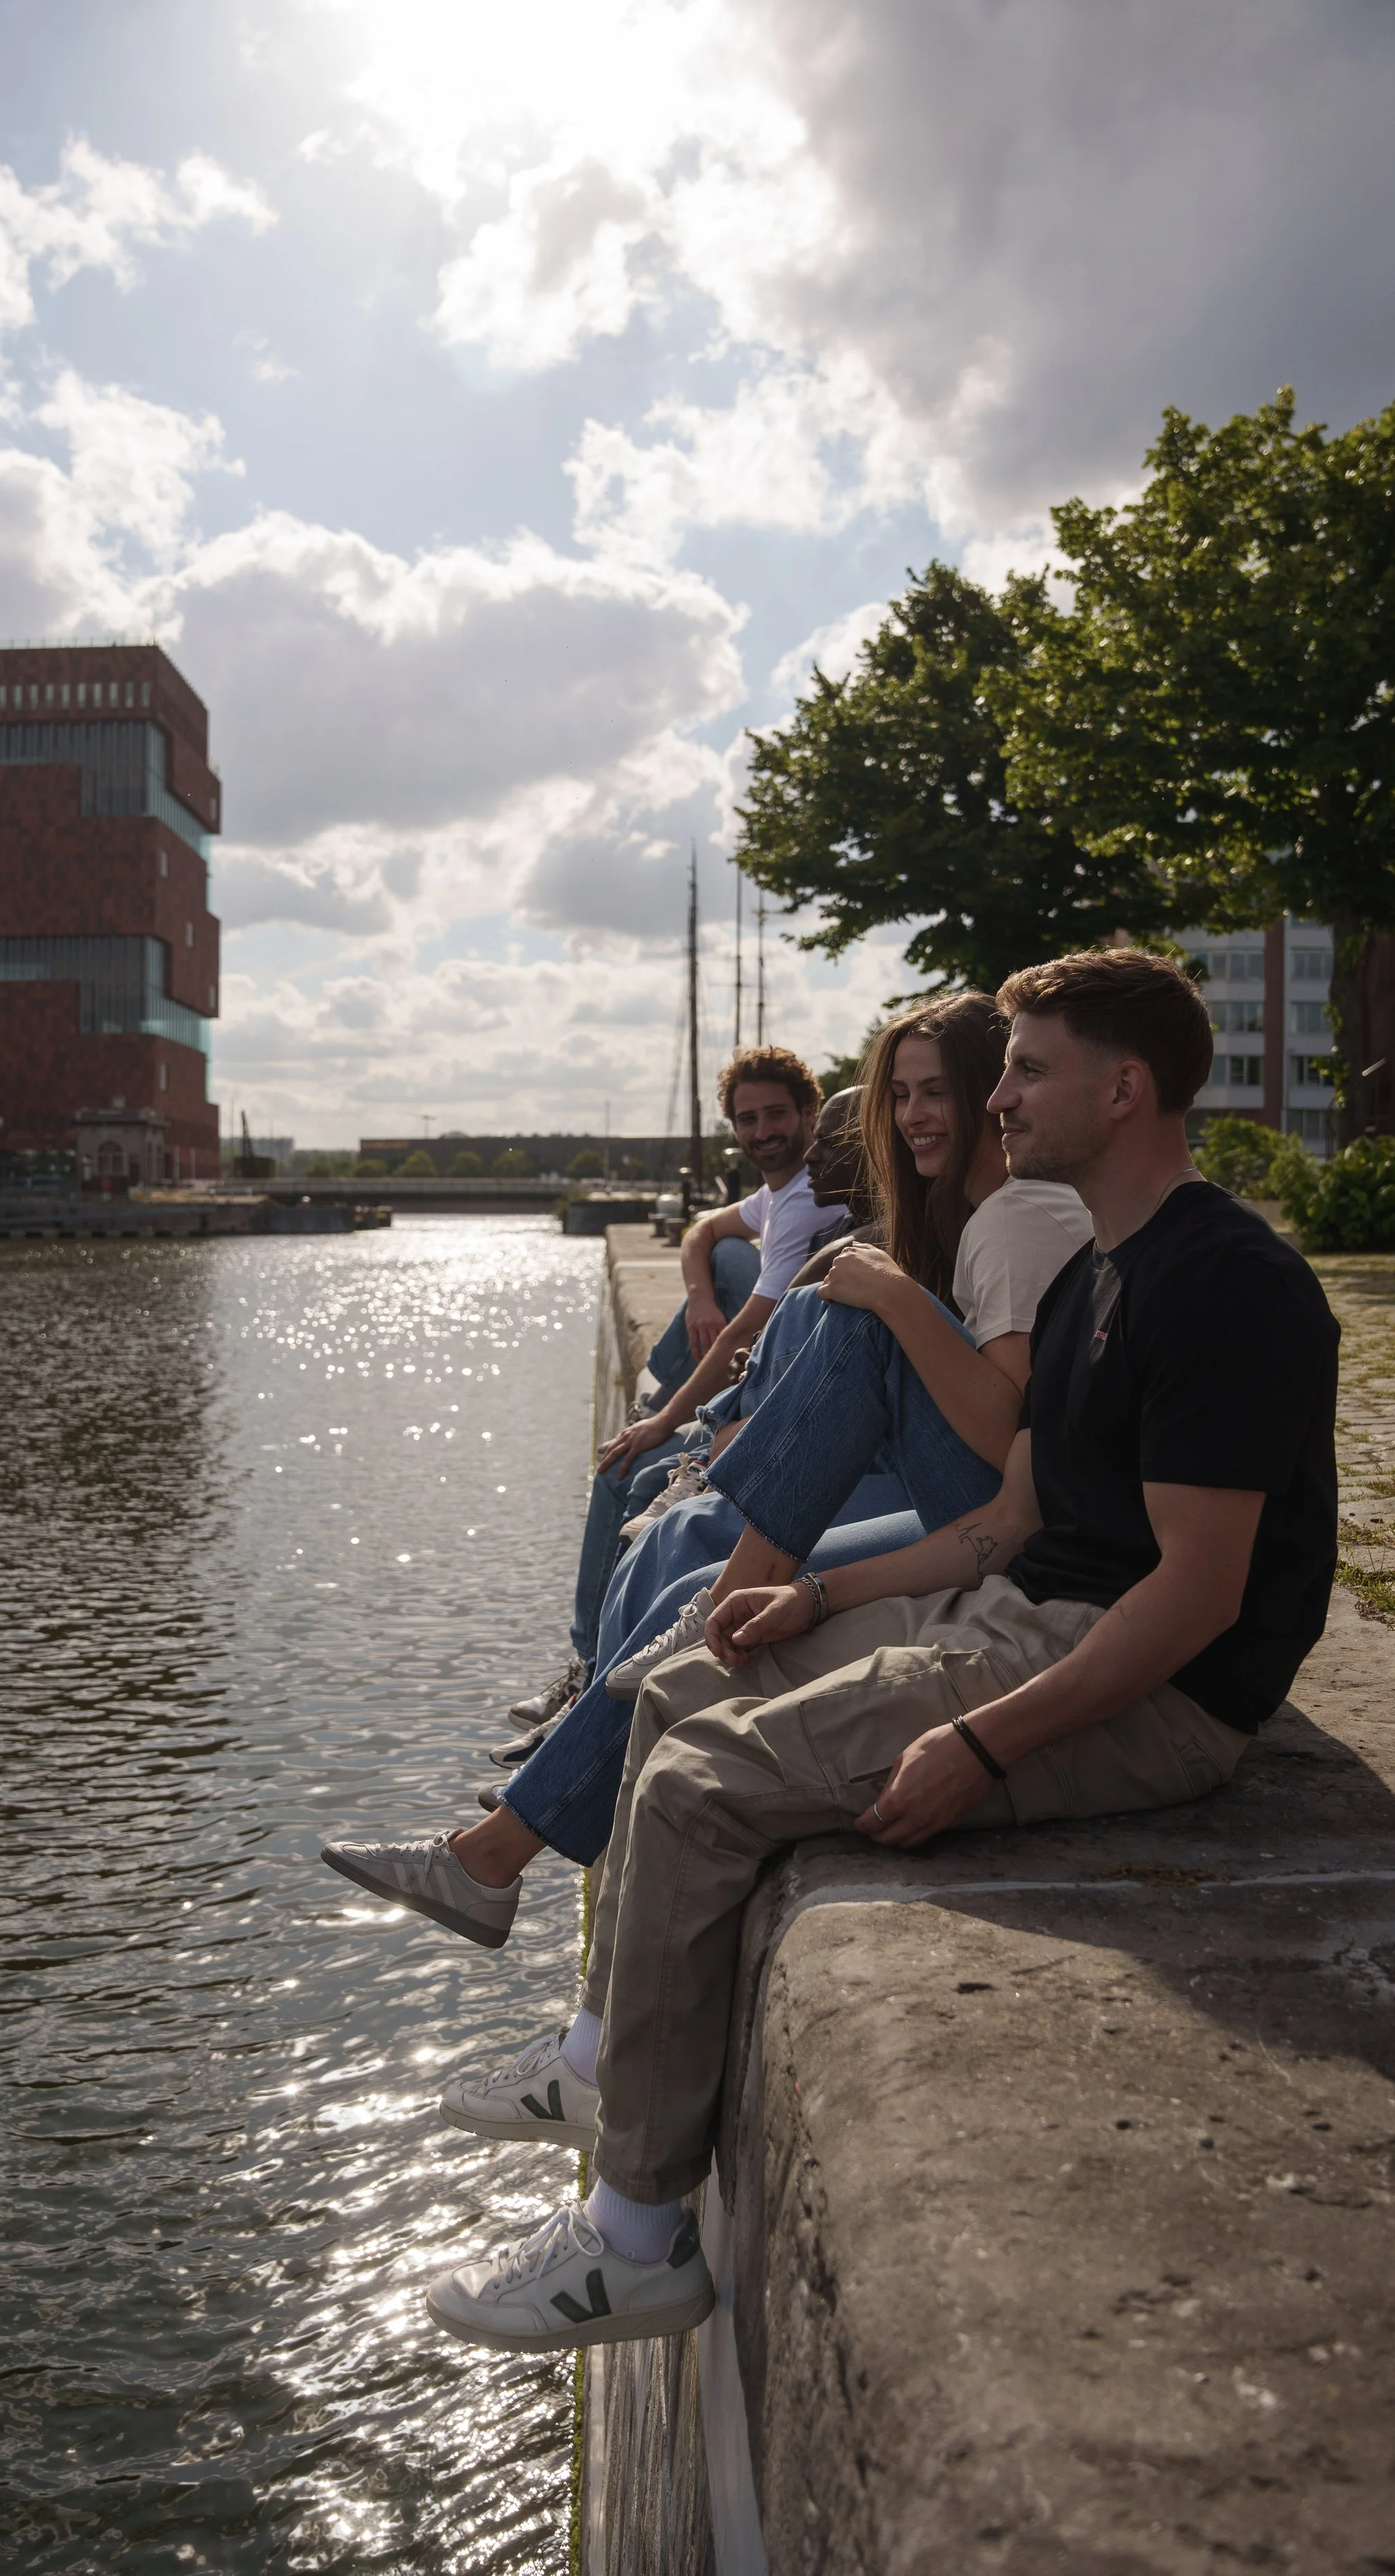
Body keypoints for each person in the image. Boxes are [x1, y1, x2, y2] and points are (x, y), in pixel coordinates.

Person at [415, 947, 1338, 2351]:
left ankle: (635, 2236)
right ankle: (607, 2063)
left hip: (1141, 1687)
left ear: (1124, 1085)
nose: (997, 1097)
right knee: (680, 1675)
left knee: (694, 1785)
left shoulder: (1222, 1285)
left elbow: (1197, 1600)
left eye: (1025, 1068)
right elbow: (1011, 1523)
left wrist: (979, 1740)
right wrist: (817, 1603)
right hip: (1030, 1613)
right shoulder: (1098, 1268)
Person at [320, 993, 1094, 1945]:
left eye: (942, 1092)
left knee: (848, 1323)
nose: (913, 1116)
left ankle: (506, 1868)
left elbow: (1001, 1430)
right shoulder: (985, 1216)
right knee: (710, 1559)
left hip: (1016, 1520)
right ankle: (491, 1856)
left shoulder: (1014, 1222)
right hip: (992, 1503)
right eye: (900, 1095)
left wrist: (894, 1299)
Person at [498, 1044, 842, 1761]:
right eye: (746, 1119)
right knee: (718, 1266)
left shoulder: (811, 1192)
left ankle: (590, 1677)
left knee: (636, 1469)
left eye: (777, 1114)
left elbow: (750, 1330)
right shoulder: (776, 1196)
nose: (762, 1131)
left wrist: (661, 1419)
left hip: (773, 1384)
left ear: (809, 1113)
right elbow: (703, 1230)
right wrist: (693, 1293)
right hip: (750, 1368)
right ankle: (586, 1669)